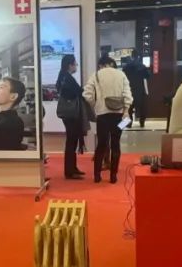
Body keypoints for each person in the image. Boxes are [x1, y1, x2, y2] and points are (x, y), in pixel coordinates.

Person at [83, 56, 132, 184]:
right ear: (111, 63)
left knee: (101, 145)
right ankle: (113, 176)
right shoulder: (121, 75)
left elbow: (87, 94)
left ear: (101, 65)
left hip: (102, 115)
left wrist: (96, 105)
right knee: (116, 144)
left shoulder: (96, 75)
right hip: (119, 115)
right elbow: (128, 95)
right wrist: (126, 110)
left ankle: (97, 176)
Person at [56, 55, 87, 180]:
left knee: (72, 140)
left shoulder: (63, 76)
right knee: (71, 141)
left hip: (68, 114)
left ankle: (72, 168)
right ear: (70, 65)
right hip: (71, 114)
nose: (76, 66)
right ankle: (69, 170)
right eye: (75, 64)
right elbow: (77, 92)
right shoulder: (67, 78)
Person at [123, 55, 150, 128]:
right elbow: (147, 76)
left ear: (131, 57)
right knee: (142, 108)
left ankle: (129, 124)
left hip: (129, 89)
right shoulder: (142, 66)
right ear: (138, 57)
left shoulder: (126, 66)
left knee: (129, 108)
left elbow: (123, 77)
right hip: (140, 89)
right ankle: (142, 122)